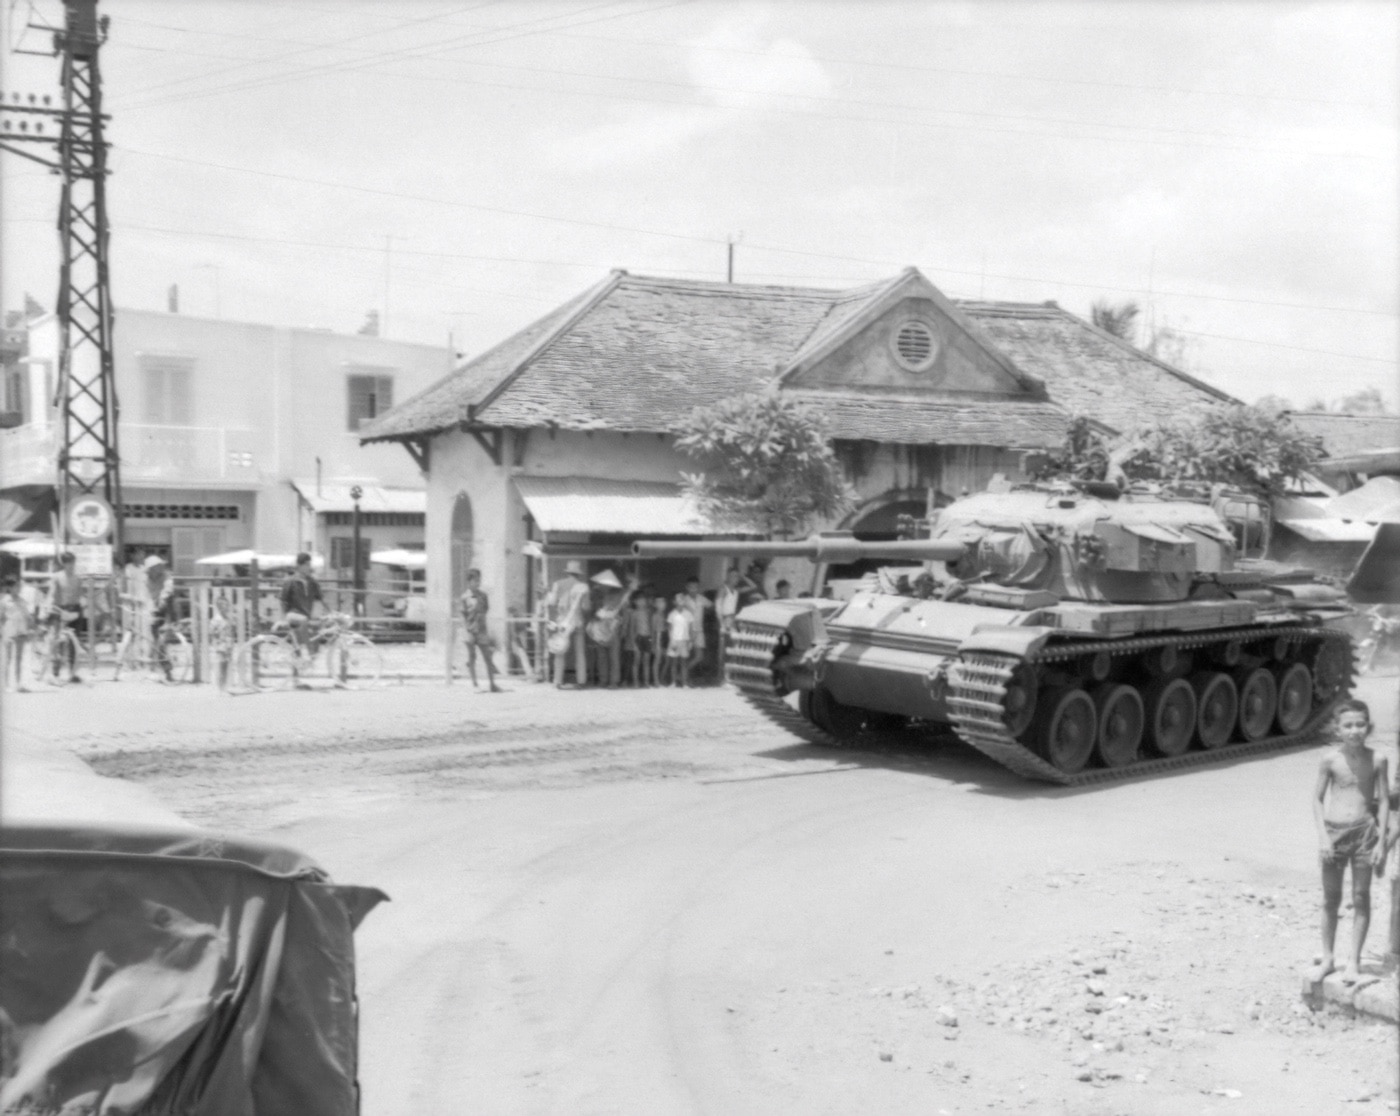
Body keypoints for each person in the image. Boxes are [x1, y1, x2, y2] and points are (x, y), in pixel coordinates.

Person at [1312, 699, 1390, 984]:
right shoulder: (1330, 760)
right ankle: (1329, 958)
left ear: (1368, 727)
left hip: (1364, 834)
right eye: (1348, 725)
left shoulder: (1378, 759)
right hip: (1334, 834)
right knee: (1331, 899)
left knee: (1361, 897)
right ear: (1338, 728)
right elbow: (1317, 799)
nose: (1354, 730)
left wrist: (1381, 842)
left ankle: (1354, 962)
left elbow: (1382, 802)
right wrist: (1323, 837)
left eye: (1360, 724)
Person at [545, 561, 590, 688]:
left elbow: (552, 602)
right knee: (580, 652)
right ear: (578, 574)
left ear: (567, 572)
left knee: (560, 651)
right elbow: (586, 607)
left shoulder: (558, 584)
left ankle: (558, 681)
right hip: (577, 621)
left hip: (562, 622)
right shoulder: (583, 586)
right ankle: (581, 681)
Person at [459, 567, 502, 693]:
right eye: (475, 581)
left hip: (482, 630)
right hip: (470, 630)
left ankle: (492, 684)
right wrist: (467, 630)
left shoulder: (483, 596)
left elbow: (486, 609)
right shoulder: (465, 597)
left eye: (479, 580)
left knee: (488, 657)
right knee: (472, 657)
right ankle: (474, 683)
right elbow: (463, 615)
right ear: (469, 581)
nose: (478, 583)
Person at [47, 552, 86, 684]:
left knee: (74, 643)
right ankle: (55, 672)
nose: (72, 565)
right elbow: (52, 593)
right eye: (69, 563)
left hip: (74, 610)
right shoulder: (57, 577)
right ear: (64, 564)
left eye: (73, 562)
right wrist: (50, 606)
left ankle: (72, 672)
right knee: (59, 641)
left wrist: (83, 603)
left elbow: (81, 594)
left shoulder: (78, 578)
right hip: (60, 610)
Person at [144, 555, 179, 683]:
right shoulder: (148, 580)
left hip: (168, 610)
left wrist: (163, 597)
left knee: (161, 642)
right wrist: (154, 606)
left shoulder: (166, 576)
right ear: (152, 569)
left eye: (160, 566)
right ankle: (165, 670)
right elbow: (151, 595)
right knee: (157, 642)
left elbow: (168, 589)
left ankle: (164, 670)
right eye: (157, 566)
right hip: (155, 610)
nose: (160, 568)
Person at [279, 552, 324, 652]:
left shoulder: (312, 582)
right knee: (303, 621)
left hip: (306, 617)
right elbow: (282, 601)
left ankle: (310, 657)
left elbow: (320, 599)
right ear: (299, 566)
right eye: (307, 564)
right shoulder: (290, 581)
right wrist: (284, 618)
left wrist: (330, 613)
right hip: (292, 615)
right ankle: (309, 650)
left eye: (309, 564)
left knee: (317, 630)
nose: (309, 567)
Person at [1, 576, 33, 692]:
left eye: (19, 586)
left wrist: (30, 629)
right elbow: (1, 617)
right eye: (15, 586)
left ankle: (18, 683)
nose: (18, 588)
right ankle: (5, 684)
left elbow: (28, 617)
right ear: (9, 588)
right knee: (8, 658)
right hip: (9, 632)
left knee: (19, 658)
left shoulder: (22, 601)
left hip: (21, 632)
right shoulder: (4, 601)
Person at [681, 576, 712, 682]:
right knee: (685, 655)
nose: (693, 589)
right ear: (687, 587)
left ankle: (681, 674)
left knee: (699, 656)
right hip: (687, 631)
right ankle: (684, 678)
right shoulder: (684, 600)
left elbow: (711, 606)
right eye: (691, 587)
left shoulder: (701, 598)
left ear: (698, 588)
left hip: (699, 630)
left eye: (695, 587)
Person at [666, 593, 694, 688]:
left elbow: (690, 629)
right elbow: (669, 629)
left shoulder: (688, 614)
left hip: (684, 641)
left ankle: (684, 683)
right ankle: (673, 682)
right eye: (678, 600)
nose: (680, 602)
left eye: (682, 600)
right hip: (674, 641)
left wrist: (690, 641)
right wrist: (672, 640)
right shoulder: (672, 614)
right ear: (674, 602)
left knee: (684, 663)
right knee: (673, 662)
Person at [626, 592, 653, 687]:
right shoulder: (634, 613)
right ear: (635, 602)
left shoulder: (648, 612)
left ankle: (646, 682)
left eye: (643, 600)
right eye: (639, 601)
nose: (642, 603)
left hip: (647, 637)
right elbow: (632, 629)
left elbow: (650, 625)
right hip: (638, 638)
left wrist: (651, 638)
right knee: (636, 661)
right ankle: (636, 682)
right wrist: (633, 642)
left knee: (646, 661)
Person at [209, 595, 234, 691]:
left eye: (227, 606)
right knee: (220, 666)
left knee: (226, 666)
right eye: (224, 606)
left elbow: (231, 631)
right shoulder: (216, 619)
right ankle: (220, 688)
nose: (227, 608)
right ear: (219, 608)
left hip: (227, 645)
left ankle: (224, 687)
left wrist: (230, 643)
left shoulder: (228, 618)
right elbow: (211, 632)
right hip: (220, 646)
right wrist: (216, 642)